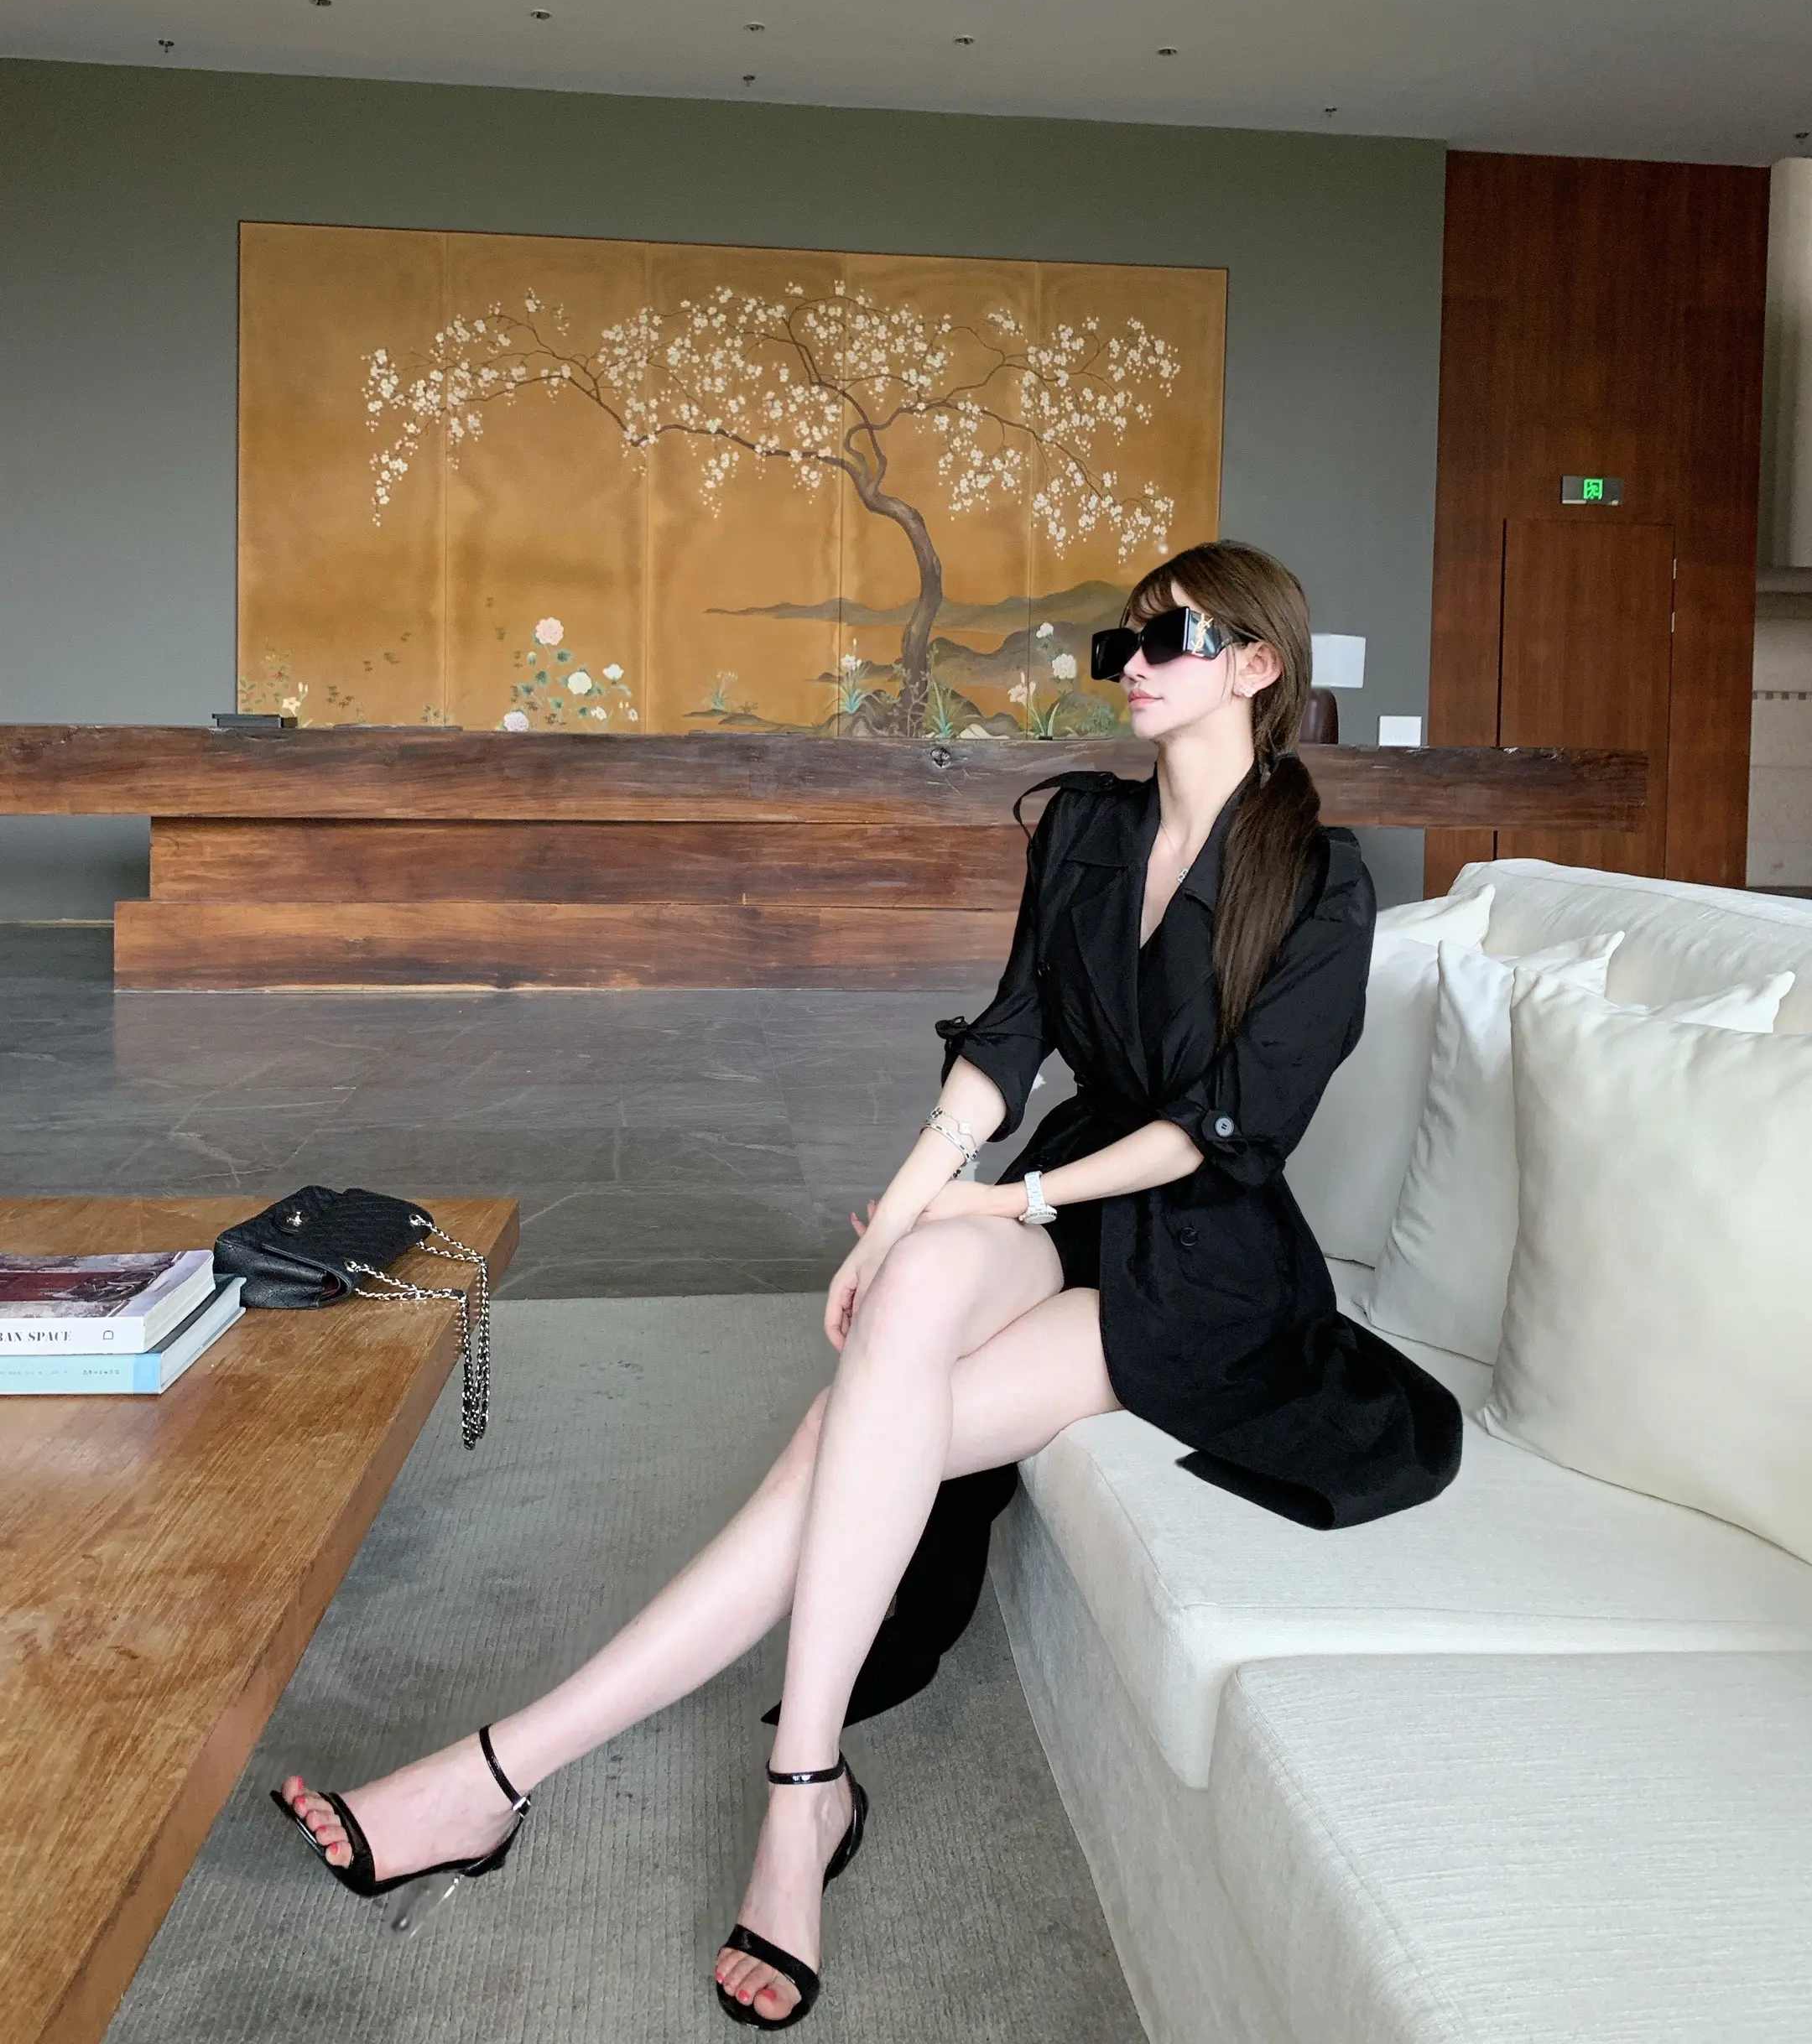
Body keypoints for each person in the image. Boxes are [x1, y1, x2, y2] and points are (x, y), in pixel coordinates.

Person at [274, 537, 1461, 2029]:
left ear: (1259, 665)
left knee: (844, 1437)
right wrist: (897, 1221)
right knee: (908, 1298)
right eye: (1123, 643)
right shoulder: (1086, 828)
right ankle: (762, 1784)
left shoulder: (1323, 880)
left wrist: (1009, 1196)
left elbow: (1228, 1128)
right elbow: (1011, 1040)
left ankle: (627, 1783)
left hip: (1206, 1261)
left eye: (1171, 641)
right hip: (1061, 1185)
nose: (1133, 668)